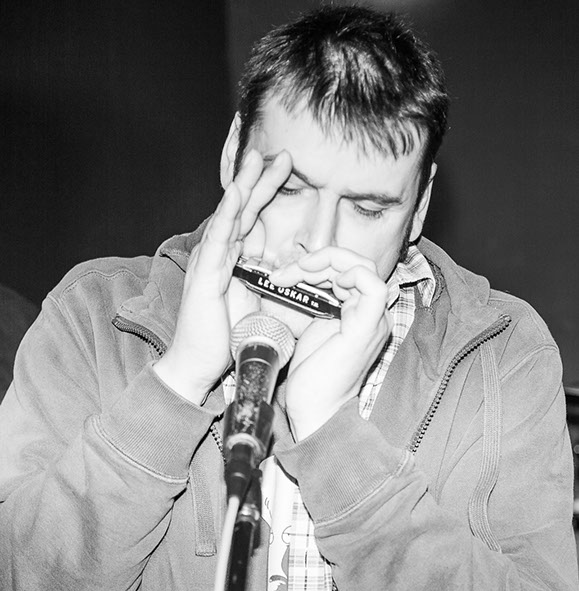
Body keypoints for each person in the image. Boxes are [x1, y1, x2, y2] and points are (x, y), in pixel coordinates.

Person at [0, 5, 576, 590]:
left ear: (420, 206)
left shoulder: (500, 355)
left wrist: (331, 435)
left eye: (368, 209)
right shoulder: (96, 316)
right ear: (234, 153)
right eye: (291, 188)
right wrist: (178, 381)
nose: (318, 242)